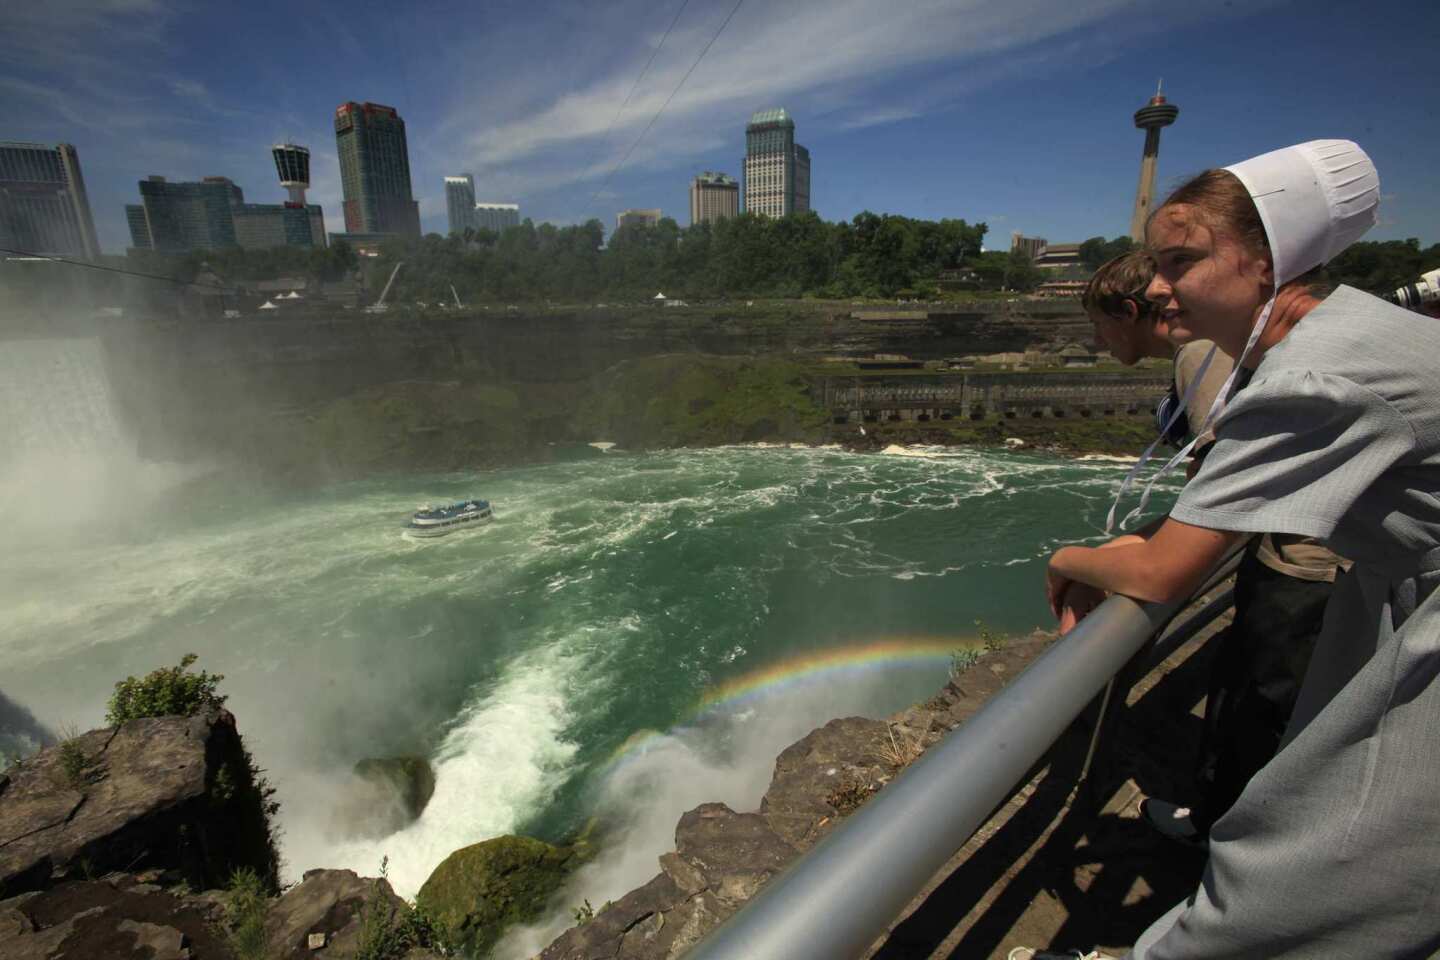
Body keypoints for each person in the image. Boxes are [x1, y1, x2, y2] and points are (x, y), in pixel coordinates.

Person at [1048, 140, 1440, 957]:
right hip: (1396, 586)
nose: (1156, 286)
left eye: (1180, 260)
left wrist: (1069, 561)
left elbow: (1165, 570)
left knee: (1325, 856)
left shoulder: (1312, 377)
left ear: (1266, 262)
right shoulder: (1345, 328)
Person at [1080, 252, 1351, 845]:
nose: (1098, 344)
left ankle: (1234, 844)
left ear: (1128, 313)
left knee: (1265, 703)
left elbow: (1218, 484)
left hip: (1304, 562)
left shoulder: (1200, 354)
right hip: (1319, 548)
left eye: (1099, 327)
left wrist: (1091, 558)